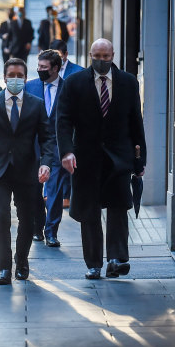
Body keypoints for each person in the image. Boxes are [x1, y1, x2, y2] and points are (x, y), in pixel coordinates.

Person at [56, 38, 147, 280]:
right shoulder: (74, 83)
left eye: (106, 57)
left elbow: (136, 122)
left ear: (113, 55)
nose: (101, 61)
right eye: (97, 56)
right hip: (86, 157)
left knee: (118, 208)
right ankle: (94, 263)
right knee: (90, 212)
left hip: (119, 157)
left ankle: (117, 259)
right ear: (90, 55)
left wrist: (140, 161)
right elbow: (63, 120)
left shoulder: (128, 82)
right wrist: (66, 152)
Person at [0, 58, 55, 285]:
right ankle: (4, 268)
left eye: (20, 75)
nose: (15, 79)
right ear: (4, 77)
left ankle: (22, 260)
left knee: (27, 219)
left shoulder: (36, 104)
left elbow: (47, 137)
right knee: (1, 216)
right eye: (12, 75)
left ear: (25, 79)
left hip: (27, 169)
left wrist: (46, 162)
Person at [25, 49, 66, 247]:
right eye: (38, 67)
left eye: (44, 67)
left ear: (55, 68)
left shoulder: (68, 88)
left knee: (55, 190)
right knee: (34, 190)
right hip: (33, 147)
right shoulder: (30, 86)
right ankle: (38, 226)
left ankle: (51, 231)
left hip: (58, 147)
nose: (40, 70)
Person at [50, 39, 84, 207]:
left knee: (69, 160)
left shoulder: (78, 72)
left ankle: (67, 195)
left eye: (58, 55)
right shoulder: (46, 72)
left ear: (65, 55)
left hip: (72, 124)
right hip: (52, 124)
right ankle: (56, 195)